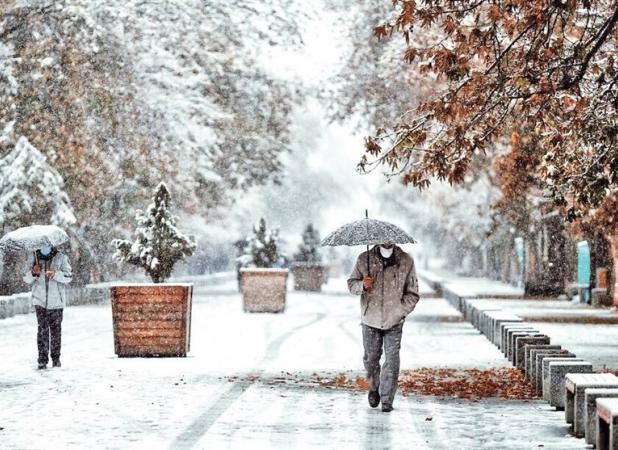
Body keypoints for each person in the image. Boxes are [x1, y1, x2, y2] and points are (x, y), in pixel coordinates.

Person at [348, 243, 420, 412]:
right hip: (370, 319)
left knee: (392, 360)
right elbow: (351, 284)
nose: (386, 241)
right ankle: (374, 387)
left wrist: (400, 311)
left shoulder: (406, 261)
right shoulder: (364, 259)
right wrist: (362, 285)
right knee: (371, 358)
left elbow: (413, 293)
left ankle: (387, 399)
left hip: (394, 321)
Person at [22, 245, 72, 369]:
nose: (45, 247)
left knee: (56, 331)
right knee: (42, 331)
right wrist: (33, 272)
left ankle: (56, 358)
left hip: (56, 302)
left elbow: (68, 277)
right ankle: (42, 360)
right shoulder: (34, 257)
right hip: (39, 301)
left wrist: (55, 274)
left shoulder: (61, 257)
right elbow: (26, 278)